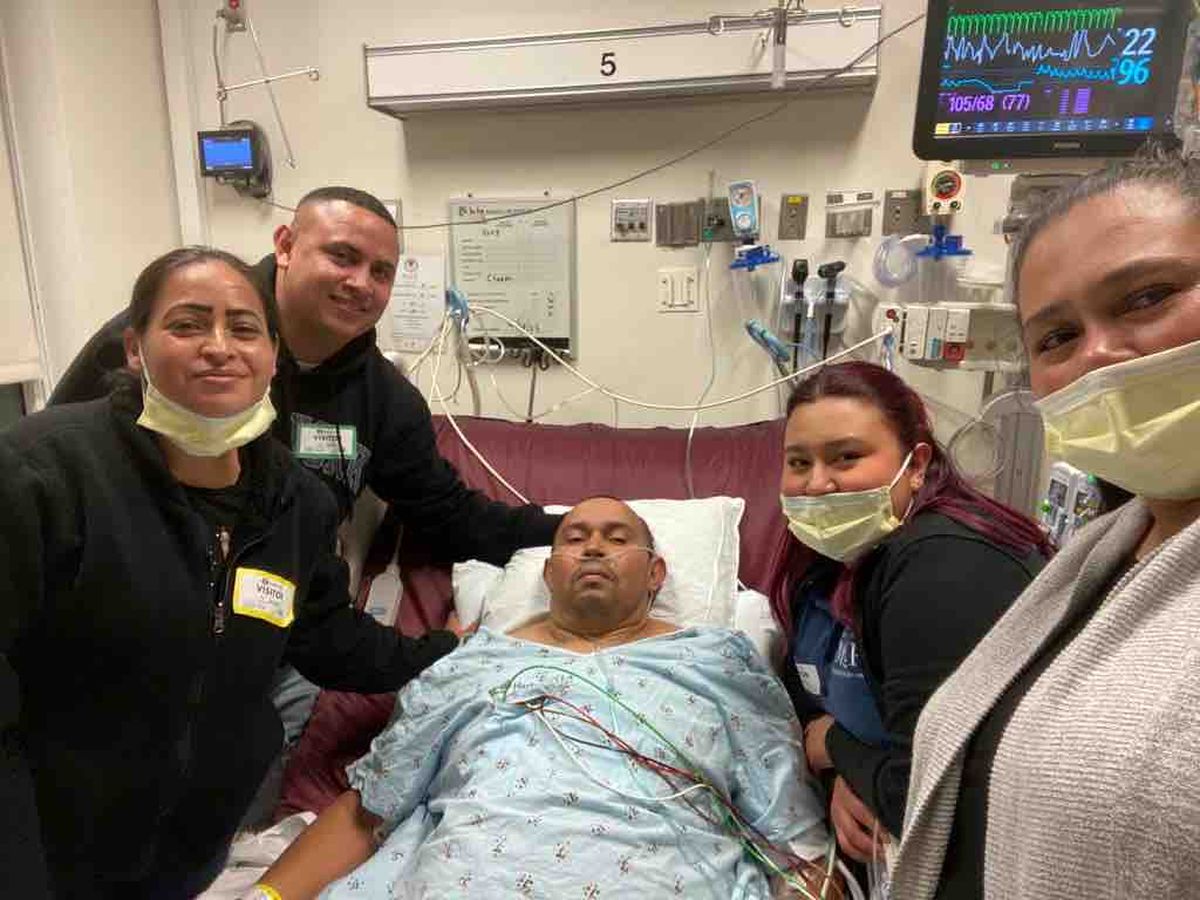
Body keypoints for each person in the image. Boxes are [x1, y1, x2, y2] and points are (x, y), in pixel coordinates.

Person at [48, 186, 561, 785]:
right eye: (342, 256)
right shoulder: (147, 358)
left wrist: (573, 528)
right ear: (286, 246)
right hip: (111, 638)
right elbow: (62, 480)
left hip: (266, 640)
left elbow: (442, 517)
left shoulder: (355, 435)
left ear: (271, 362)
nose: (219, 353)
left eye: (381, 272)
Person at [0, 248, 462, 898]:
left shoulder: (297, 505)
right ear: (134, 349)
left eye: (244, 329)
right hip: (48, 850)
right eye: (187, 325)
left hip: (191, 851)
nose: (219, 347)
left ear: (273, 357)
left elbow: (330, 640)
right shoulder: (41, 473)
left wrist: (448, 652)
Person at [248, 497, 832, 900]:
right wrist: (266, 896)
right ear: (549, 573)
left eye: (617, 538)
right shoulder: (471, 664)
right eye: (574, 538)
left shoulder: (717, 661)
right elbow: (370, 807)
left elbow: (796, 838)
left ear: (656, 573)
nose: (594, 548)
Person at [894, 149, 1200, 899]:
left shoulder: (942, 562)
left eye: (1147, 296)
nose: (1098, 354)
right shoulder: (1104, 550)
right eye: (1056, 337)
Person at [766, 362, 1048, 869]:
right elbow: (804, 701)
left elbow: (932, 798)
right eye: (799, 462)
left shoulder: (946, 565)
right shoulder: (828, 567)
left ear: (916, 464)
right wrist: (842, 777)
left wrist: (835, 746)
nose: (817, 484)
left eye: (847, 457)